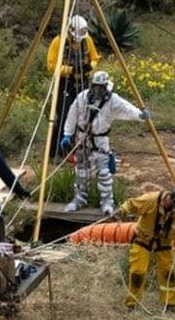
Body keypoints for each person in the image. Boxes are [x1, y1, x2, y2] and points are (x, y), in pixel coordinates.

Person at [61, 70, 151, 216]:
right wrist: (67, 134)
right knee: (81, 172)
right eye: (95, 86)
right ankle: (79, 199)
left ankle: (107, 202)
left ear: (105, 86)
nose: (97, 90)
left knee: (104, 173)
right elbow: (72, 115)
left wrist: (140, 115)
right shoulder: (82, 97)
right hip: (82, 139)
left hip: (101, 141)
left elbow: (126, 108)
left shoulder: (112, 100)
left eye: (100, 87)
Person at [117, 188, 175, 311]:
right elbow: (131, 204)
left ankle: (170, 303)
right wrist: (122, 210)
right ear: (170, 199)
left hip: (164, 243)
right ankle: (132, 304)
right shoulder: (150, 200)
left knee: (168, 273)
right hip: (143, 240)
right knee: (137, 272)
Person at [47, 15, 101, 158]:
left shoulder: (86, 40)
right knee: (65, 116)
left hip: (82, 83)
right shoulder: (59, 41)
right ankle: (57, 151)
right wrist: (70, 70)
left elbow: (95, 57)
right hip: (65, 83)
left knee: (84, 115)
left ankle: (79, 146)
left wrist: (90, 67)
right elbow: (51, 65)